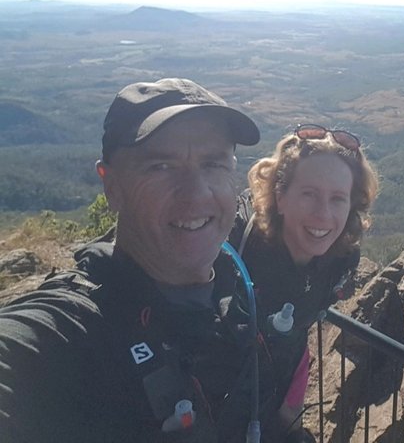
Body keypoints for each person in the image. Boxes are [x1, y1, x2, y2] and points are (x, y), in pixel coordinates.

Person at [0, 78, 263, 442]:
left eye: (214, 163)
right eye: (161, 166)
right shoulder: (69, 332)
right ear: (111, 186)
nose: (196, 193)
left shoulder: (232, 292)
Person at [229, 124, 379, 442]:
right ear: (280, 197)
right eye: (308, 194)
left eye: (338, 199)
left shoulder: (341, 259)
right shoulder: (239, 249)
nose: (323, 214)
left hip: (284, 374)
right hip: (223, 388)